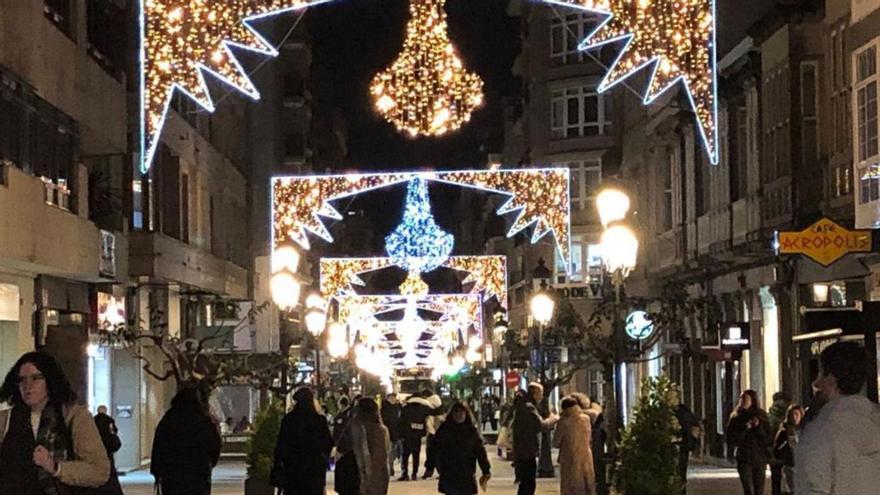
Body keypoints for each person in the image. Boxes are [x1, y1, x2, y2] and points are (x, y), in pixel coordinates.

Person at [0, 352, 112, 495]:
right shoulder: (6, 420)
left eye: (36, 378)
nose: (27, 386)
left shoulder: (74, 417)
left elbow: (99, 471)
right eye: (22, 380)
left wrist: (55, 467)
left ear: (50, 380)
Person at [794, 342, 880, 495]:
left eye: (820, 373)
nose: (815, 383)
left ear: (832, 378)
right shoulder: (874, 421)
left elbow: (813, 487)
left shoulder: (821, 432)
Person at [151, 385, 222, 495]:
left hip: (172, 473)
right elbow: (214, 445)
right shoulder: (204, 420)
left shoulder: (169, 419)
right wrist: (209, 464)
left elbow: (159, 445)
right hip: (198, 472)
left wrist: (157, 471)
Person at [271, 387, 333, 495]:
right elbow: (327, 443)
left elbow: (281, 444)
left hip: (293, 468)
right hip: (314, 469)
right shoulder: (319, 420)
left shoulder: (289, 420)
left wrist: (278, 463)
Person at [433, 401, 491, 495]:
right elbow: (435, 448)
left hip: (466, 474)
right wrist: (430, 465)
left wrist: (486, 469)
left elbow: (480, 451)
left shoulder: (471, 431)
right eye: (456, 412)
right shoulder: (445, 429)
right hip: (449, 473)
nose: (459, 415)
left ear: (466, 414)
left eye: (461, 412)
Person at [512, 383, 557, 495]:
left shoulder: (524, 406)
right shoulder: (528, 407)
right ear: (535, 393)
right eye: (540, 394)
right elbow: (540, 425)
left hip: (523, 450)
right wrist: (553, 419)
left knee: (526, 483)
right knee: (528, 484)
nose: (541, 398)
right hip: (527, 451)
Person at [726, 390, 773, 495]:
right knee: (748, 489)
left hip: (759, 459)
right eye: (741, 399)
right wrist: (745, 428)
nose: (743, 401)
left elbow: (768, 439)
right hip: (744, 458)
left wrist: (758, 427)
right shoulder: (735, 418)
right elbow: (731, 439)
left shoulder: (761, 417)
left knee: (758, 489)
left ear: (753, 401)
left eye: (746, 399)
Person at [553, 397, 595, 495]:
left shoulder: (563, 421)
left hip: (569, 458)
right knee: (586, 484)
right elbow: (589, 438)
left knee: (570, 487)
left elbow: (556, 442)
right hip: (586, 456)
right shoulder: (586, 419)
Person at [350, 397, 390, 495]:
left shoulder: (354, 427)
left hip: (357, 475)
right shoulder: (382, 430)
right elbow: (386, 453)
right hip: (379, 475)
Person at [398, 389, 433, 481]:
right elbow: (433, 413)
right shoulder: (424, 408)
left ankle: (405, 473)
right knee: (415, 455)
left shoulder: (406, 407)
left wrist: (400, 433)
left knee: (405, 455)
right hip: (417, 434)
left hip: (407, 434)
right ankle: (414, 474)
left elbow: (401, 421)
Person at [672, 391, 701, 494]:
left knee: (680, 473)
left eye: (673, 396)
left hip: (682, 447)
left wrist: (692, 442)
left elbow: (695, 427)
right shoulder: (663, 411)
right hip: (669, 447)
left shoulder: (685, 411)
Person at [773, 404, 803, 495]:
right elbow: (777, 449)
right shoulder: (784, 431)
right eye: (792, 415)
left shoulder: (806, 429)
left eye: (797, 414)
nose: (794, 417)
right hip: (789, 465)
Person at [767, 392, 792, 495]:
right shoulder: (784, 417)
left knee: (776, 479)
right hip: (783, 452)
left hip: (773, 452)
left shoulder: (768, 417)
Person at [94, 405, 122, 474]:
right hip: (108, 443)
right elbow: (114, 430)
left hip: (96, 443)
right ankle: (109, 472)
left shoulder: (93, 420)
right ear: (105, 411)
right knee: (109, 459)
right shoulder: (109, 420)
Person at [422, 391, 443, 479]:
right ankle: (440, 471)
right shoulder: (439, 409)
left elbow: (432, 426)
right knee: (438, 454)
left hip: (433, 434)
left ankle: (430, 471)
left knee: (431, 453)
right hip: (438, 435)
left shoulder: (430, 408)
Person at [380, 393, 402, 477]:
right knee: (389, 451)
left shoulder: (397, 407)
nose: (394, 399)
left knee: (394, 451)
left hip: (396, 432)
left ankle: (391, 468)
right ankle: (390, 468)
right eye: (392, 397)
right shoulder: (385, 408)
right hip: (388, 432)